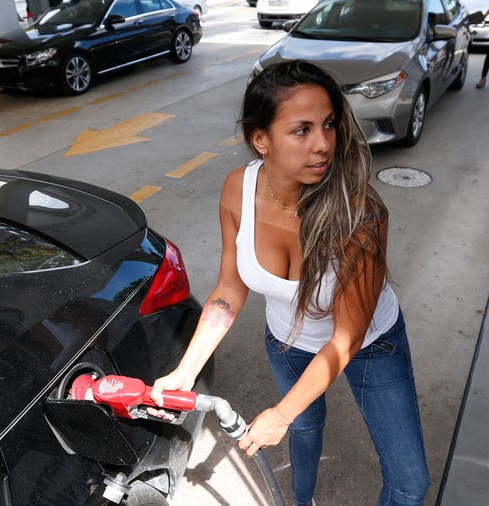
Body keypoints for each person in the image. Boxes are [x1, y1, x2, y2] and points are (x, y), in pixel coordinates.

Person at [150, 60, 429, 506]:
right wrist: (186, 371)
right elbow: (229, 288)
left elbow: (347, 337)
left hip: (374, 345)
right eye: (302, 130)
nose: (323, 145)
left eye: (329, 125)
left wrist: (279, 413)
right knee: (304, 426)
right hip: (287, 341)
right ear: (261, 139)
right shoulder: (237, 189)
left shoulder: (361, 213)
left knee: (410, 485)